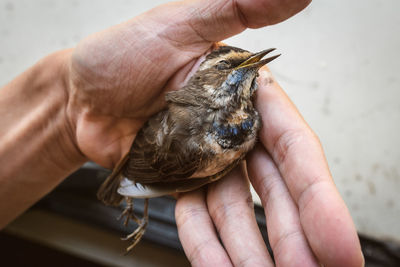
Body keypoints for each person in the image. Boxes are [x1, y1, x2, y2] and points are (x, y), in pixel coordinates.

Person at [0, 0, 364, 266]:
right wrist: (128, 184)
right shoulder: (192, 139)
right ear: (208, 81)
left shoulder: (248, 122)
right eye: (228, 68)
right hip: (147, 156)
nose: (247, 67)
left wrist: (66, 108)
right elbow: (160, 168)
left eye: (246, 66)